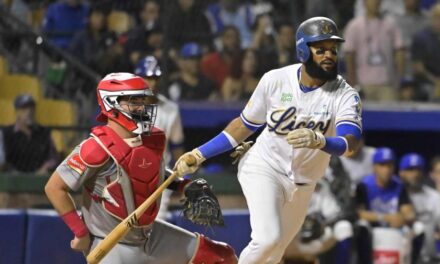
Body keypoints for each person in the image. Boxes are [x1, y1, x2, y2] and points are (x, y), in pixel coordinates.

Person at [174, 17, 363, 263]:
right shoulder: (275, 80)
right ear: (303, 51)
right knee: (267, 240)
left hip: (304, 183)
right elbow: (244, 125)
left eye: (333, 50)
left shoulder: (345, 93)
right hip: (264, 167)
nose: (329, 55)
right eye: (321, 49)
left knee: (273, 254)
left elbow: (350, 143)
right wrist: (199, 154)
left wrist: (320, 141)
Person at [44, 73, 237, 264]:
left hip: (150, 236)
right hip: (110, 243)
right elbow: (54, 188)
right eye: (133, 101)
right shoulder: (95, 147)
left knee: (221, 257)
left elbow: (151, 174)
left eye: (142, 100)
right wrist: (80, 232)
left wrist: (183, 186)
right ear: (112, 104)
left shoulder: (152, 139)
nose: (142, 107)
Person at [134, 56, 186, 220]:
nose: (153, 82)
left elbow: (177, 147)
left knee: (156, 226)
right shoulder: (124, 108)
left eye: (155, 77)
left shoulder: (171, 109)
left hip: (157, 178)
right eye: (148, 77)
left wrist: (183, 180)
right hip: (127, 176)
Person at [355, 147, 416, 264]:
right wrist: (385, 217)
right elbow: (360, 214)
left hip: (394, 227)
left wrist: (403, 218)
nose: (387, 169)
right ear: (374, 167)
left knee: (418, 228)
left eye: (390, 165)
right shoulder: (363, 185)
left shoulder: (399, 185)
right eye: (382, 165)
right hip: (372, 228)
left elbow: (408, 212)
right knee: (361, 226)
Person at [344, 0, 405, 101]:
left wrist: (399, 81)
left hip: (387, 85)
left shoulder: (390, 24)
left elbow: (400, 52)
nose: (375, 2)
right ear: (364, 3)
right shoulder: (354, 26)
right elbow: (350, 56)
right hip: (363, 85)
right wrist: (354, 85)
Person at [0, 94, 58, 174]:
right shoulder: (5, 133)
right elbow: (2, 161)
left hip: (40, 180)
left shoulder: (44, 132)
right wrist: (12, 172)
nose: (29, 112)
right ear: (17, 112)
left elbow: (53, 158)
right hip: (11, 181)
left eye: (32, 108)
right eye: (24, 109)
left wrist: (46, 167)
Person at [399, 153, 440, 263]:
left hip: (428, 258)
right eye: (410, 170)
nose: (415, 174)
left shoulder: (434, 197)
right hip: (399, 256)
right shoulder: (394, 194)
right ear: (401, 173)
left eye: (418, 169)